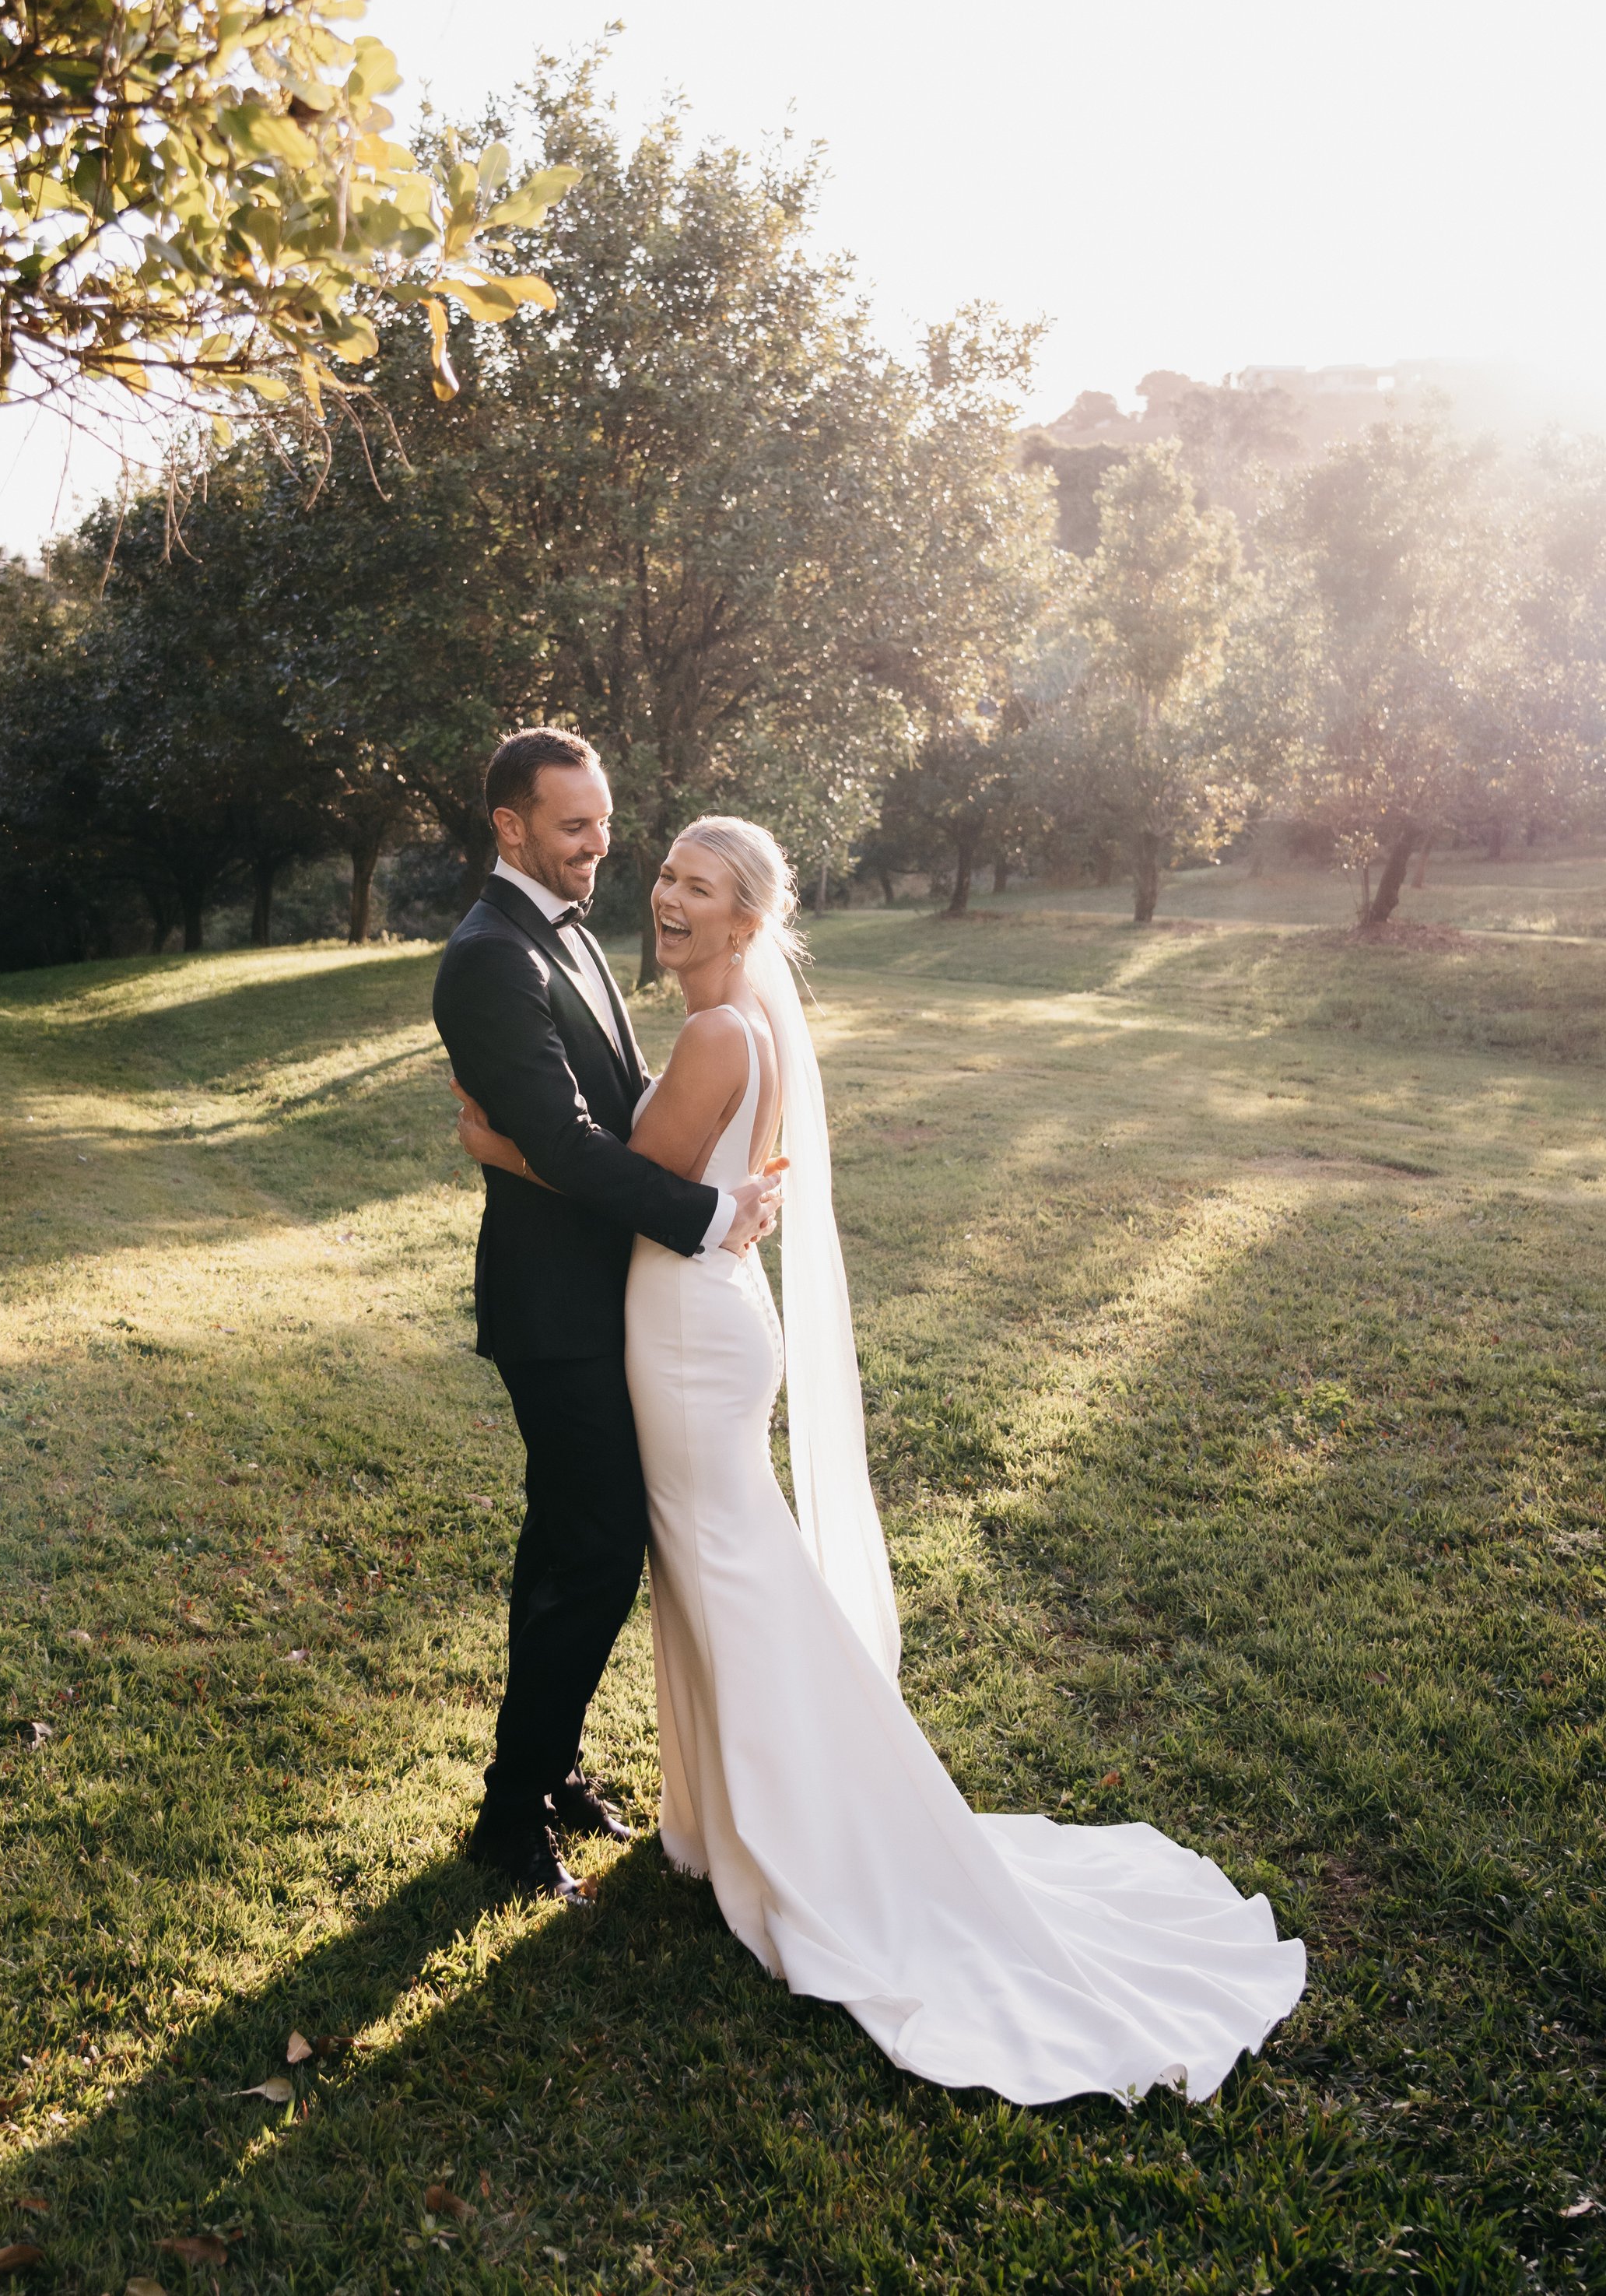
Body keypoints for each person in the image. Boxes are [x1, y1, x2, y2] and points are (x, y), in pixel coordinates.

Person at [456, 812, 1306, 2108]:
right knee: (718, 1566)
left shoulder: (720, 1031)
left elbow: (622, 1173)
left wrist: (500, 1143)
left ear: (748, 918)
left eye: (699, 884)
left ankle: (814, 1833)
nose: (669, 896)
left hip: (685, 1335)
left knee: (730, 1572)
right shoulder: (737, 1021)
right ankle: (743, 1816)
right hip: (704, 1321)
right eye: (666, 874)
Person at [431, 732, 784, 1905]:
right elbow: (575, 1152)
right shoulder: (490, 959)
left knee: (578, 1545)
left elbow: (622, 1114)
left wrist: (691, 1185)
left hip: (619, 1303)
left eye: (602, 821)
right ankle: (508, 1813)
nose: (597, 844)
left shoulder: (565, 938)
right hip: (560, 1311)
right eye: (572, 824)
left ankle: (552, 1765)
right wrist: (708, 1208)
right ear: (510, 826)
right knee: (592, 1548)